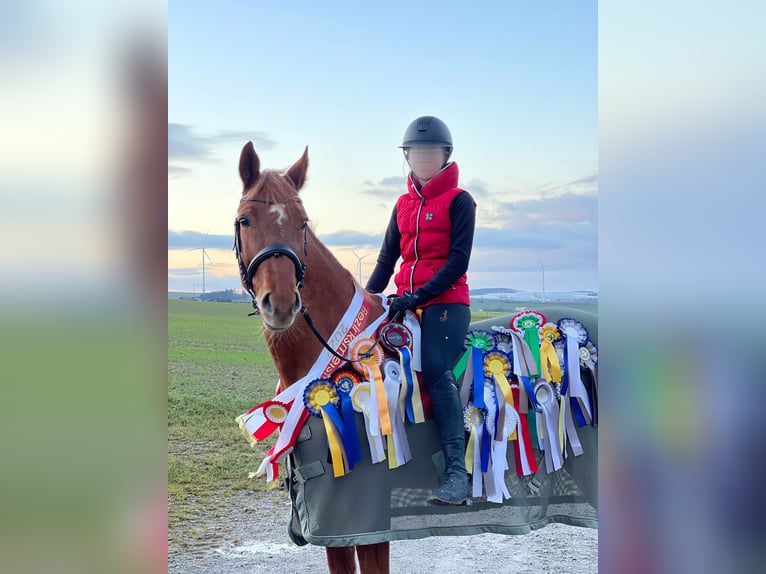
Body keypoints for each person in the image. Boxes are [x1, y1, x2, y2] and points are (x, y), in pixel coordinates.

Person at [366, 115, 476, 505]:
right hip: (403, 304)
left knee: (434, 370)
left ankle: (457, 476)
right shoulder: (401, 204)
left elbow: (458, 261)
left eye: (432, 152)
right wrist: (362, 301)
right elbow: (385, 260)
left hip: (446, 304)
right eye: (416, 152)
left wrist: (420, 296)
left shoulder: (461, 201)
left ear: (446, 155)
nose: (424, 159)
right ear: (407, 157)